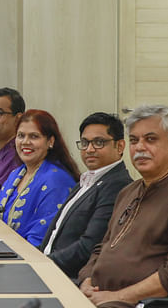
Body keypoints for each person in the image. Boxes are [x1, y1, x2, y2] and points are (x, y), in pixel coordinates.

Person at [78, 105, 168, 308]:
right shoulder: (128, 192)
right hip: (102, 303)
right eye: (134, 140)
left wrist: (115, 297)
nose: (140, 148)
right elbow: (102, 247)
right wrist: (87, 281)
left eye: (150, 139)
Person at [40, 112, 132, 279]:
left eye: (99, 142)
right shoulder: (88, 179)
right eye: (85, 143)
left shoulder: (117, 185)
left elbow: (88, 246)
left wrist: (43, 264)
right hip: (49, 268)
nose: (89, 149)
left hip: (70, 278)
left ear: (120, 147)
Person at [0, 110, 79, 247]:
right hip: (2, 251)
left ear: (50, 141)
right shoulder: (17, 173)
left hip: (30, 261)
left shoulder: (56, 180)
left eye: (34, 136)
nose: (25, 142)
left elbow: (41, 237)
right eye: (20, 136)